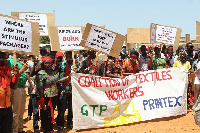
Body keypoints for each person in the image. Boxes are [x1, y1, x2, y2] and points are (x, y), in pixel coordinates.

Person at [0, 52, 23, 133]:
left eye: (5, 57)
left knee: (6, 129)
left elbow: (14, 86)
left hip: (7, 107)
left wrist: (17, 75)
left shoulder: (8, 71)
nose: (5, 59)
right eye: (3, 57)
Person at [36, 56, 59, 133]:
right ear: (43, 64)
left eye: (49, 63)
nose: (48, 64)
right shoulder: (41, 74)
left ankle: (51, 129)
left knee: (52, 114)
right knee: (46, 115)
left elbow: (57, 81)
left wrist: (68, 78)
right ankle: (47, 130)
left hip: (54, 96)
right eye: (46, 63)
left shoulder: (53, 72)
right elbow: (40, 88)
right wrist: (41, 101)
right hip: (46, 97)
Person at [7, 53, 28, 133]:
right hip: (15, 88)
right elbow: (12, 76)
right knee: (15, 111)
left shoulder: (20, 61)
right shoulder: (10, 61)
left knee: (21, 111)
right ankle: (14, 130)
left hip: (22, 88)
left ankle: (20, 129)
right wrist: (22, 70)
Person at [25, 55, 39, 133]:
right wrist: (31, 84)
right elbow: (29, 74)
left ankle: (44, 125)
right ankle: (35, 126)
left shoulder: (41, 63)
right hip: (33, 87)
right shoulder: (29, 63)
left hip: (40, 88)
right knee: (35, 107)